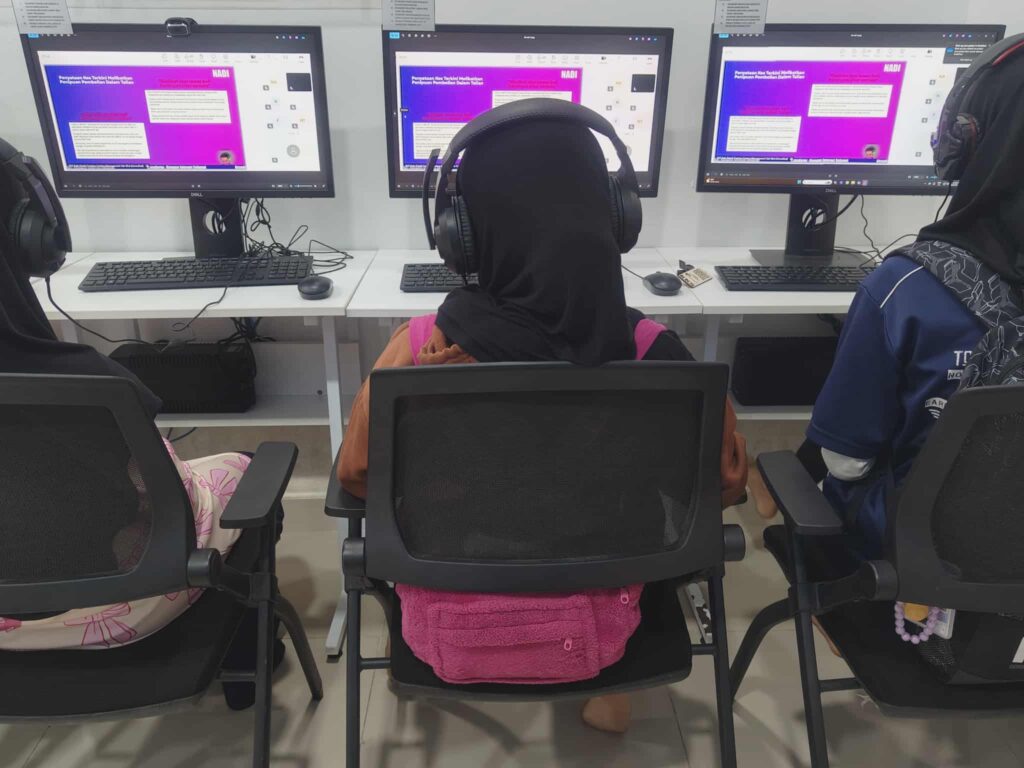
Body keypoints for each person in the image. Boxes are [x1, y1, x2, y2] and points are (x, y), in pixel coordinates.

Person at [338, 118, 748, 733]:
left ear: (461, 236)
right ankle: (607, 693)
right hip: (608, 622)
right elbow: (725, 484)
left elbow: (357, 475)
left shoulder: (420, 349)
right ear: (614, 220)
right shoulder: (655, 354)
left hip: (449, 622)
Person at [0, 175, 276, 708]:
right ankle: (248, 670)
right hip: (117, 602)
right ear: (28, 238)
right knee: (246, 472)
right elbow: (164, 495)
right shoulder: (83, 382)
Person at [806, 52, 1024, 559]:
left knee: (824, 470)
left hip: (923, 551)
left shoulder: (905, 290)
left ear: (963, 142)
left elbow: (846, 464)